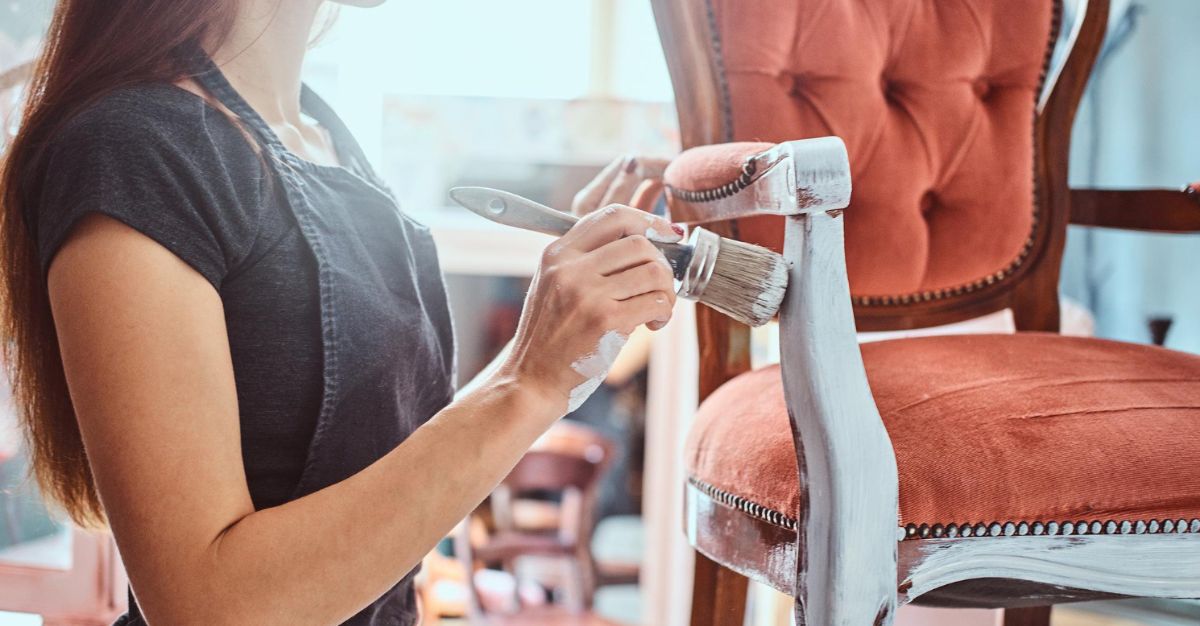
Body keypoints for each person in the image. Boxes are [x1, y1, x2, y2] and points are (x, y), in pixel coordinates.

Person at [0, 1, 676, 624]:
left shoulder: (319, 135)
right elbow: (206, 607)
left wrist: (562, 341)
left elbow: (388, 476)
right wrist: (525, 381)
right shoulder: (135, 146)